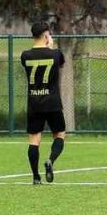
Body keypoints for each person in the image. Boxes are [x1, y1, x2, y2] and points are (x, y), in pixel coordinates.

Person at [21, 21, 67, 185]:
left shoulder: (25, 55)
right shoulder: (56, 54)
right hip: (53, 103)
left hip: (34, 103)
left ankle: (35, 177)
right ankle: (50, 161)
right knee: (60, 134)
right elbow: (60, 65)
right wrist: (51, 48)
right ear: (47, 35)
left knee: (34, 140)